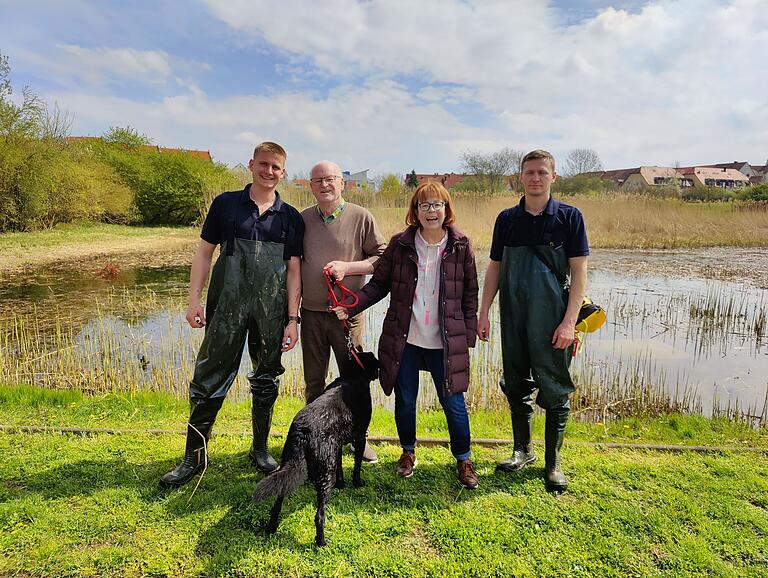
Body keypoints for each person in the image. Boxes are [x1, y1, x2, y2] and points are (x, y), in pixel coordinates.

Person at [160, 141, 304, 488]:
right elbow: (204, 253)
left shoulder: (291, 217)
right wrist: (194, 300)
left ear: (283, 173)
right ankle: (192, 458)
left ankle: (260, 450)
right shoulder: (225, 204)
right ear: (252, 164)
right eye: (264, 164)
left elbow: (294, 271)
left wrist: (292, 319)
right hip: (226, 307)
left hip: (271, 312)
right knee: (208, 379)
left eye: (276, 167)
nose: (269, 172)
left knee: (267, 378)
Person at [334, 181, 480, 489]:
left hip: (444, 343)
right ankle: (408, 452)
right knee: (406, 401)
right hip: (406, 341)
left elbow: (470, 295)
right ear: (415, 211)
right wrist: (352, 304)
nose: (431, 211)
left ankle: (464, 459)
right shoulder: (401, 244)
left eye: (437, 204)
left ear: (446, 209)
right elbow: (378, 285)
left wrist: (467, 336)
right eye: (424, 205)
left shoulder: (461, 245)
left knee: (453, 402)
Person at [477, 149, 589, 493]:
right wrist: (484, 312)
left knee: (555, 388)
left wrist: (569, 322)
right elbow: (495, 267)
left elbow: (579, 271)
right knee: (515, 384)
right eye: (529, 172)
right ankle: (522, 450)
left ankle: (553, 464)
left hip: (552, 319)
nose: (535, 178)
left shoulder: (569, 217)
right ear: (520, 177)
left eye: (542, 172)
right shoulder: (506, 220)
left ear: (553, 177)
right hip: (513, 317)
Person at [300, 160, 386, 462]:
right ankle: (315, 436)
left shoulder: (361, 217)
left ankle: (358, 439)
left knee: (354, 379)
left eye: (331, 179)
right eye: (318, 180)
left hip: (347, 314)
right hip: (310, 314)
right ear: (310, 186)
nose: (325, 185)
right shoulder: (302, 219)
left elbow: (381, 257)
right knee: (314, 380)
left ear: (342, 184)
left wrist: (348, 267)